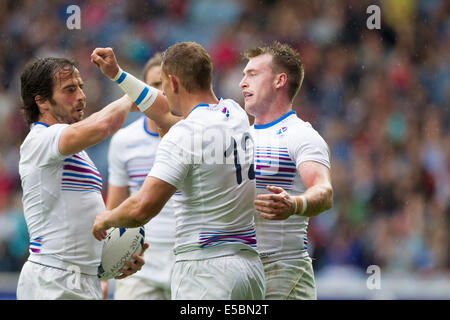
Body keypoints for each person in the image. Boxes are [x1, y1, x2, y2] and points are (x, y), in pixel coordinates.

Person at [90, 42, 265, 300]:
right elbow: (162, 110)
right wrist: (117, 74)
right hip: (248, 269)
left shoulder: (184, 135)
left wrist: (106, 219)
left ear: (172, 83)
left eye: (161, 84)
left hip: (206, 270)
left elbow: (142, 208)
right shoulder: (234, 112)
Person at [16, 56, 148, 300]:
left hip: (81, 279)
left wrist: (113, 259)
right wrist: (130, 96)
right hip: (53, 280)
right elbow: (103, 125)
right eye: (70, 89)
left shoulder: (76, 152)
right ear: (42, 101)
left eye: (81, 87)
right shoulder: (40, 140)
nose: (81, 96)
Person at [239, 42, 333, 300]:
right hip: (241, 274)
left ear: (280, 80)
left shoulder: (300, 134)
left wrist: (294, 204)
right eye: (244, 74)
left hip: (284, 272)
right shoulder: (238, 139)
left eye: (253, 74)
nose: (242, 83)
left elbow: (324, 192)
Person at [104, 53, 177, 300]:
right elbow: (115, 208)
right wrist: (106, 268)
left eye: (167, 83)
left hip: (190, 254)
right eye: (154, 85)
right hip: (140, 260)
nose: (162, 91)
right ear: (140, 91)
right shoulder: (124, 141)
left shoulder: (195, 136)